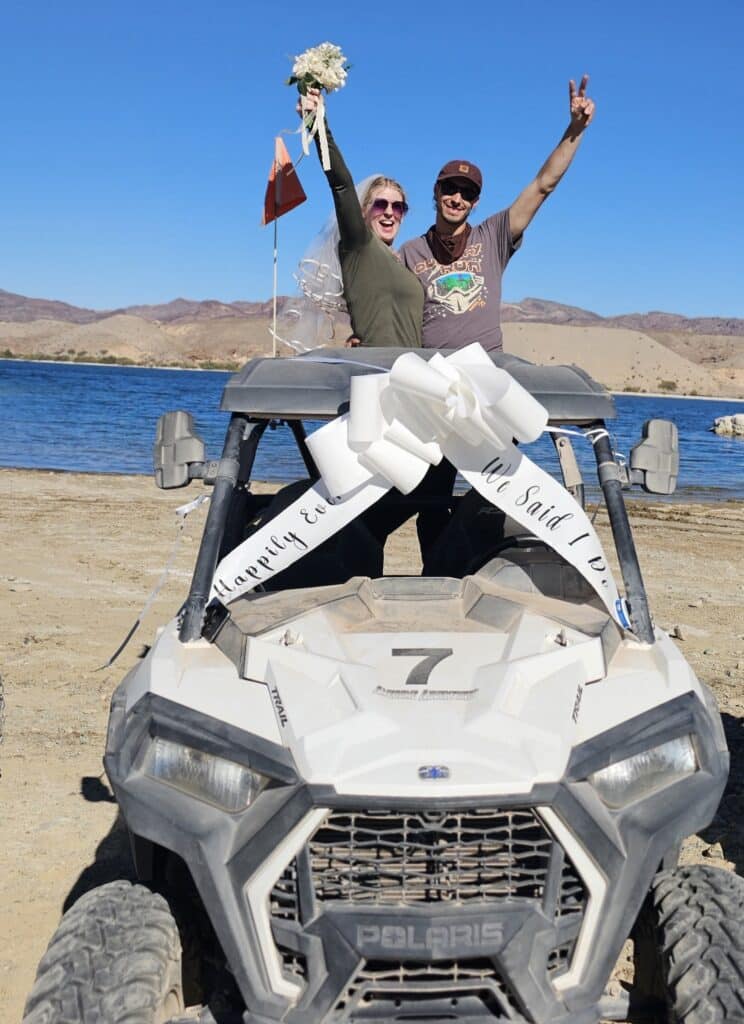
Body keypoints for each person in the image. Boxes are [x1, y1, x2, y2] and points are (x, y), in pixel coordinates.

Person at [399, 75, 596, 352]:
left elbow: (543, 185)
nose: (457, 199)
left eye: (467, 193)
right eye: (450, 189)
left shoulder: (493, 237)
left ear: (475, 202)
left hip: (488, 370)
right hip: (431, 372)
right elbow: (388, 308)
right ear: (436, 190)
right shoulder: (410, 252)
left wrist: (574, 131)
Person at [299, 88, 423, 348]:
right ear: (363, 210)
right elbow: (341, 185)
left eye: (399, 207)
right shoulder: (359, 246)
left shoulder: (405, 263)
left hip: (414, 376)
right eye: (381, 205)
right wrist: (318, 125)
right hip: (375, 375)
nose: (390, 212)